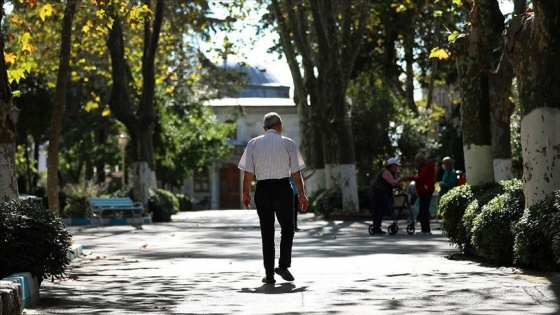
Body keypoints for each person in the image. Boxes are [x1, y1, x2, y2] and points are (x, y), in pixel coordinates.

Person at [238, 112, 308, 284]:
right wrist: (301, 194)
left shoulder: (253, 144)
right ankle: (283, 265)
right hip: (283, 189)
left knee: (267, 233)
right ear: (280, 126)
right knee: (288, 228)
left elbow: (248, 173)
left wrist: (246, 193)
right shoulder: (288, 143)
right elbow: (296, 173)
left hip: (262, 189)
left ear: (264, 128)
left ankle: (269, 274)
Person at [368, 157, 401, 235]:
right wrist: (401, 179)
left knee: (381, 210)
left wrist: (399, 185)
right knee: (378, 210)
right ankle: (376, 227)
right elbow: (392, 182)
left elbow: (394, 184)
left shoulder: (391, 173)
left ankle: (377, 227)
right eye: (396, 166)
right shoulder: (385, 172)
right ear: (392, 166)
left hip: (383, 194)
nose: (397, 168)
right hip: (377, 193)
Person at [406, 153, 436, 235]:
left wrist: (408, 178)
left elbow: (420, 178)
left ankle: (426, 230)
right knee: (423, 210)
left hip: (426, 191)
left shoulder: (426, 167)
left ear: (421, 159)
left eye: (417, 160)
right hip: (424, 191)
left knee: (424, 211)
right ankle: (425, 229)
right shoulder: (424, 166)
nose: (416, 162)